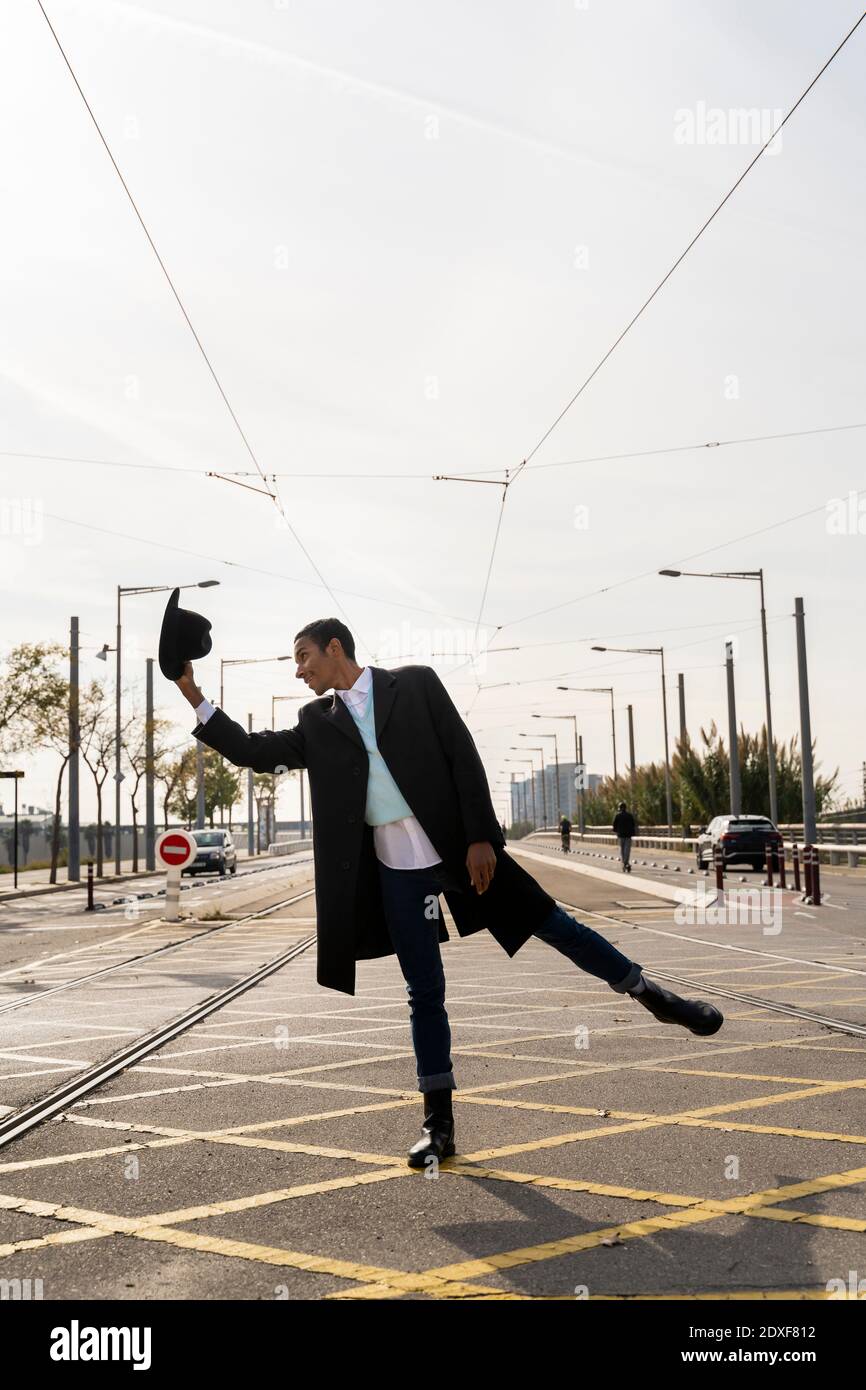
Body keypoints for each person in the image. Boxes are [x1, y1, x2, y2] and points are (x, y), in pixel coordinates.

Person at [176, 619, 722, 1168]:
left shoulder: (415, 686)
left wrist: (482, 836)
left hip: (462, 853)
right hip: (396, 871)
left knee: (555, 925)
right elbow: (249, 750)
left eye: (303, 657)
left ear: (334, 647)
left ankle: (651, 995)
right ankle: (439, 1126)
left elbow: (463, 756)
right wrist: (191, 692)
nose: (299, 671)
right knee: (424, 992)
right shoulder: (316, 721)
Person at [613, 801, 637, 873]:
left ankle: (624, 862)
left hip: (621, 835)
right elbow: (633, 825)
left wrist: (616, 831)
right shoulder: (629, 815)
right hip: (628, 835)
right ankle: (626, 862)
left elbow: (614, 826)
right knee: (627, 850)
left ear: (620, 808)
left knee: (622, 850)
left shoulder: (617, 816)